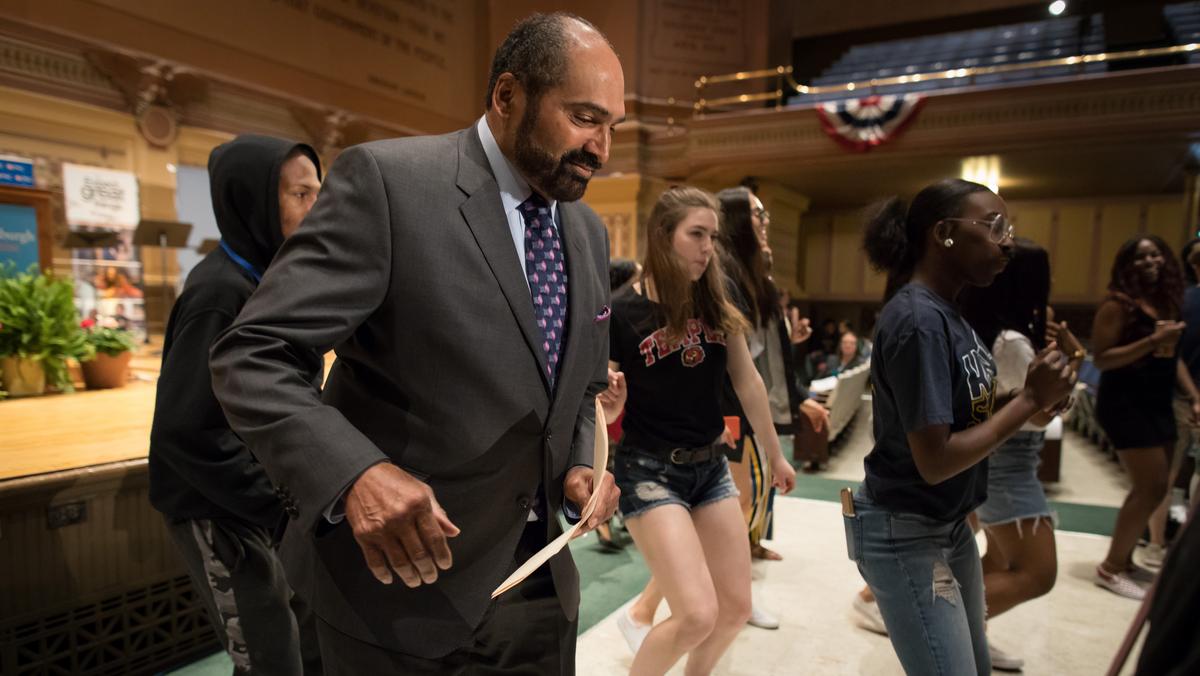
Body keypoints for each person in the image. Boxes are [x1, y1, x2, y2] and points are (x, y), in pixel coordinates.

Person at [209, 14, 622, 674]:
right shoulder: (389, 183)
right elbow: (252, 354)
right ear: (508, 95)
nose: (602, 148)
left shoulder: (589, 233)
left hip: (541, 587)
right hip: (396, 593)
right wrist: (352, 474)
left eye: (612, 127)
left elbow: (581, 386)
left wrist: (580, 465)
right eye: (583, 118)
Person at [849, 178, 1074, 675]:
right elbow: (935, 461)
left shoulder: (952, 317)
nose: (1007, 242)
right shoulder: (917, 320)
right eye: (994, 227)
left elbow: (973, 413)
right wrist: (1029, 399)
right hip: (906, 530)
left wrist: (1037, 403)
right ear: (945, 233)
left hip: (947, 526)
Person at [148, 135, 324, 675]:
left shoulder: (269, 276)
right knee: (269, 654)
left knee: (310, 640)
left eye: (319, 192)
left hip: (267, 499)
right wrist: (271, 504)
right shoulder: (219, 293)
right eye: (300, 194)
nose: (317, 209)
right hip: (220, 508)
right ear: (253, 200)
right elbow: (187, 432)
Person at [603, 186, 796, 676]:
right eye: (696, 235)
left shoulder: (716, 296)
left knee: (733, 610)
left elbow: (747, 381)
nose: (708, 247)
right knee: (696, 615)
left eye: (712, 236)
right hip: (649, 471)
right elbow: (600, 410)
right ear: (664, 236)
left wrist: (776, 456)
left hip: (710, 467)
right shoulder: (622, 311)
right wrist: (610, 409)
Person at [961, 238, 1086, 671]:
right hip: (1009, 465)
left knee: (996, 560)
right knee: (1037, 572)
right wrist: (1055, 390)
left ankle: (972, 634)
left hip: (1003, 462)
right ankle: (947, 624)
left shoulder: (1000, 333)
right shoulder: (1011, 341)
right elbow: (1025, 414)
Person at [1092, 235, 1200, 598]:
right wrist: (1152, 341)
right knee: (1149, 486)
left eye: (1155, 254)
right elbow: (1103, 358)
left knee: (1157, 488)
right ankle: (1109, 568)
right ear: (1127, 265)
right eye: (1140, 257)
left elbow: (1175, 358)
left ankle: (1123, 560)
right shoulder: (1118, 305)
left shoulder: (1165, 301)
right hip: (1125, 403)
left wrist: (1195, 395)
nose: (1150, 261)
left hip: (1158, 401)